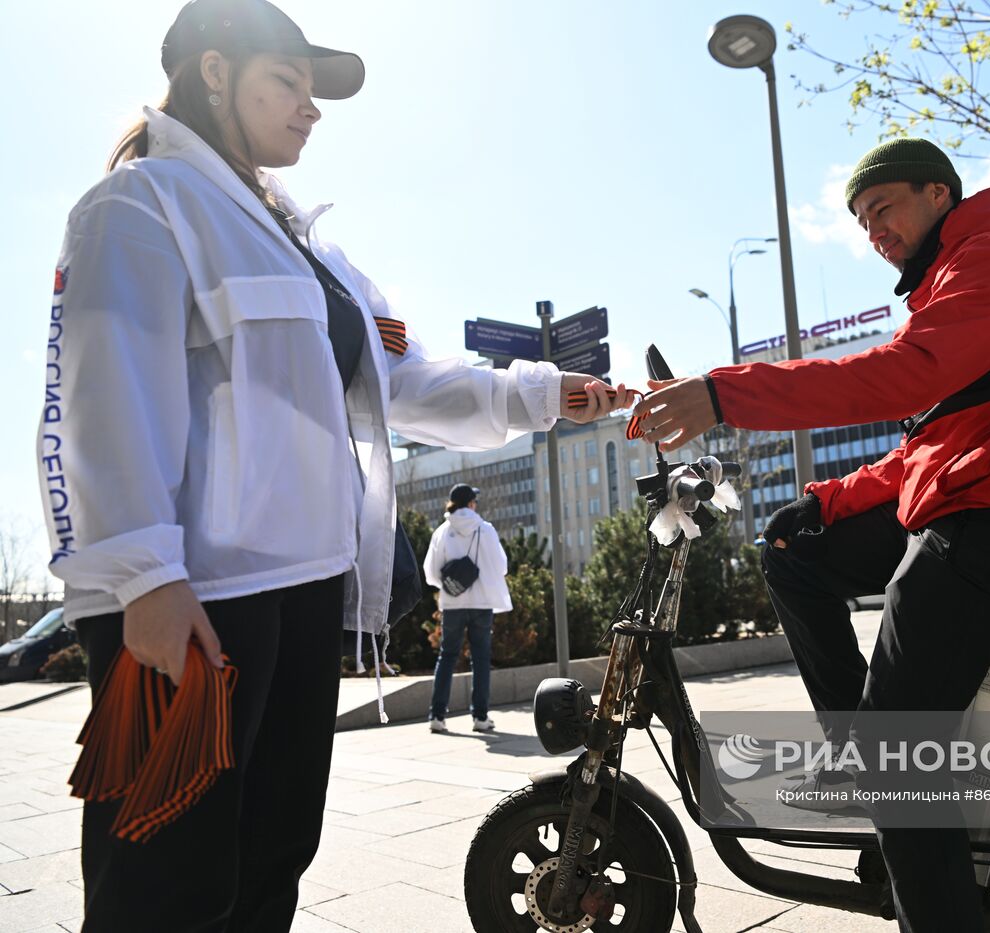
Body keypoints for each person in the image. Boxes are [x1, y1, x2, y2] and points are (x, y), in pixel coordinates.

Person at [37, 2, 631, 930]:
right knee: (164, 883)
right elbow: (100, 401)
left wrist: (551, 394)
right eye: (289, 84)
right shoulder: (138, 207)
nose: (311, 109)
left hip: (303, 590)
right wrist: (143, 577)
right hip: (193, 602)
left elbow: (407, 379)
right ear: (215, 73)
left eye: (316, 93)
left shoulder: (317, 251)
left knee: (272, 862)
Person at [633, 137, 990, 932]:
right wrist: (828, 502)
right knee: (794, 553)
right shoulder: (954, 278)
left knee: (898, 754)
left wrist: (724, 391)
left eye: (883, 207)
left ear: (938, 195)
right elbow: (929, 443)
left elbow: (901, 377)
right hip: (974, 491)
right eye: (859, 219)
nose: (872, 229)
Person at [423, 484, 510, 733]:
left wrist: (453, 586)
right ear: (471, 504)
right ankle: (480, 718)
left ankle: (437, 716)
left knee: (447, 656)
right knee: (481, 658)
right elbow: (502, 566)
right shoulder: (485, 530)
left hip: (452, 604)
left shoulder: (442, 532)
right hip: (482, 604)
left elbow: (431, 572)